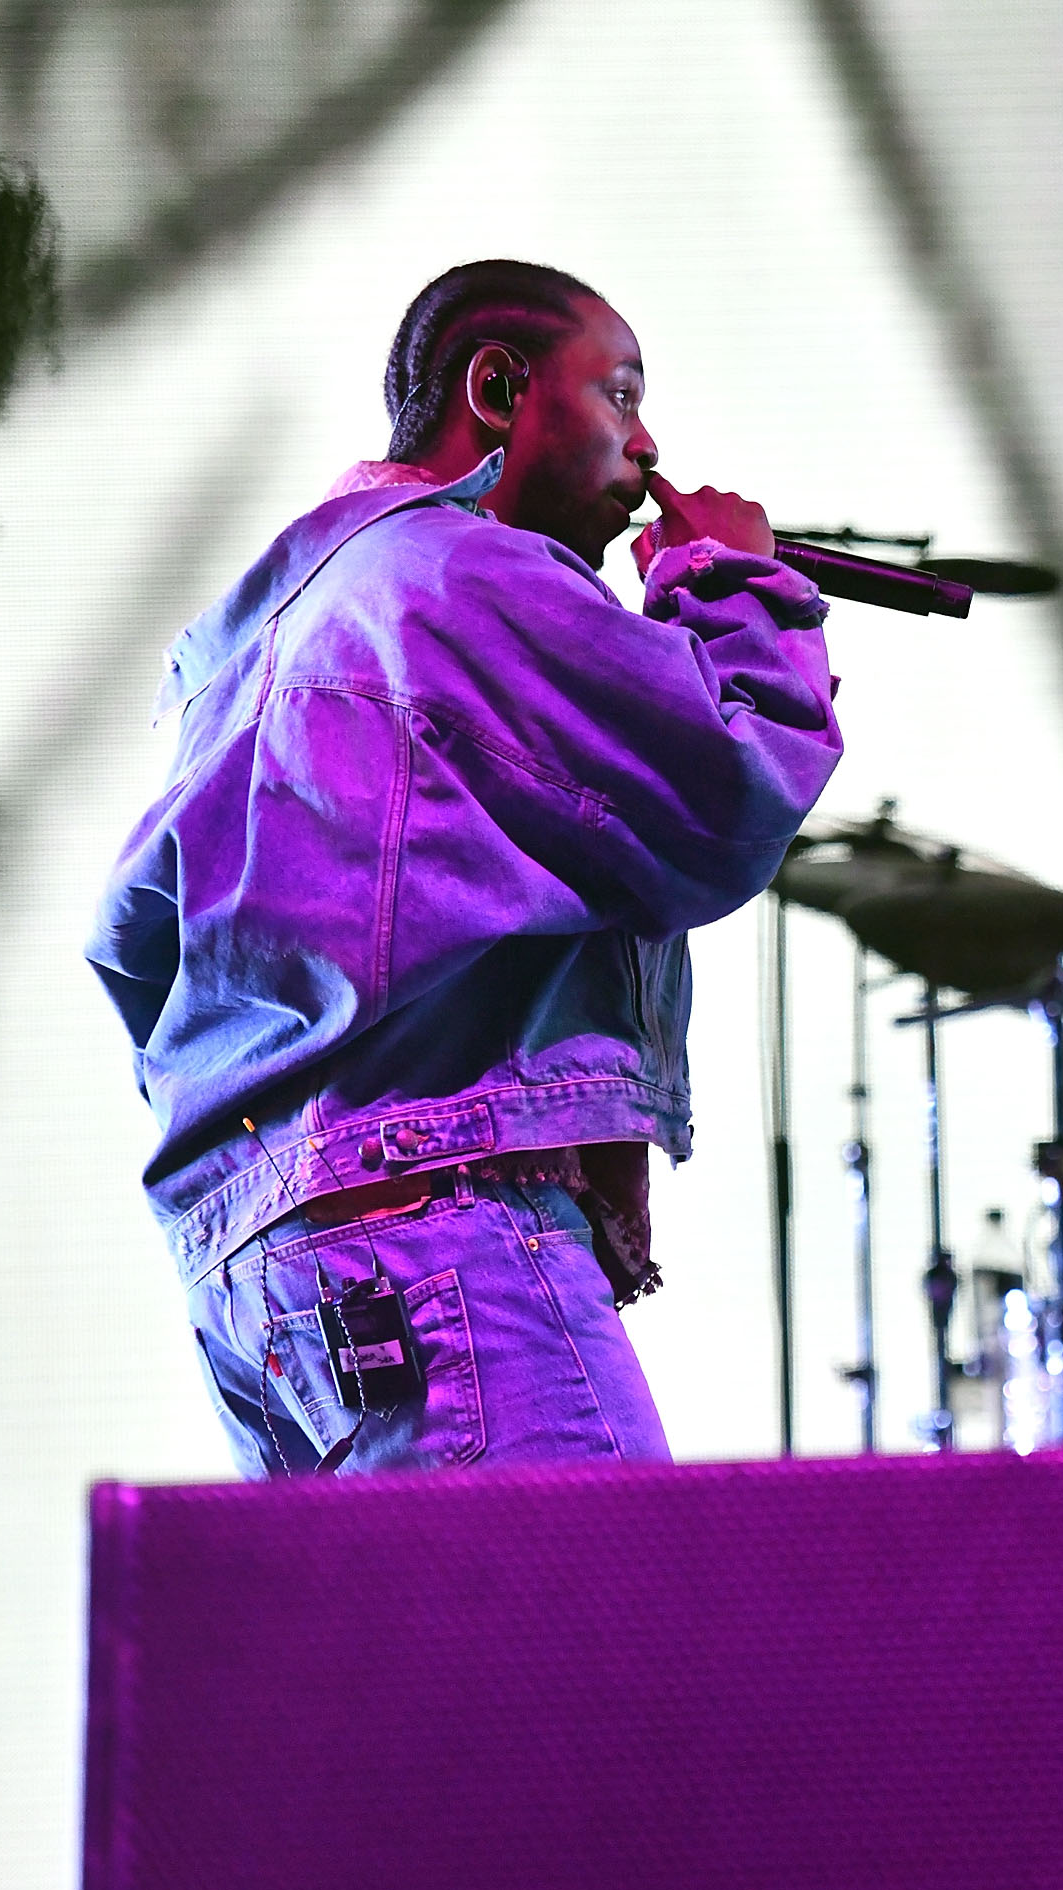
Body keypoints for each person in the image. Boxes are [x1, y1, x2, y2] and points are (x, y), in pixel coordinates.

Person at [89, 259, 843, 1477]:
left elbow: (136, 944)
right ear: (498, 385)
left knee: (426, 1668)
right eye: (620, 395)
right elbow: (730, 781)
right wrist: (729, 581)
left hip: (264, 1279)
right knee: (600, 1647)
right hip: (430, 1241)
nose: (648, 446)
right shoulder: (458, 571)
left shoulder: (255, 634)